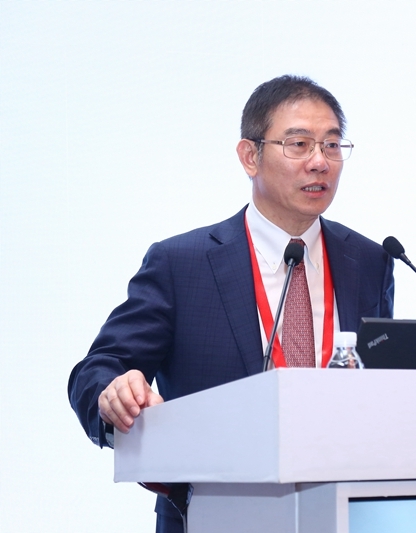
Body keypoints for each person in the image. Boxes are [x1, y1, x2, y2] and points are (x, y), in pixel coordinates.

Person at [68, 75, 394, 532]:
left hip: (343, 513)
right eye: (299, 144)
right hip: (211, 513)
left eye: (332, 145)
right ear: (249, 156)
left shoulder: (370, 261)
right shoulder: (182, 264)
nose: (320, 162)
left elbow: (378, 386)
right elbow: (97, 369)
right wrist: (113, 392)